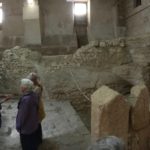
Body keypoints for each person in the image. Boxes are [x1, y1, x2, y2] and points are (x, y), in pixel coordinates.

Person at [16, 78, 39, 150]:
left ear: (25, 88)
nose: (20, 86)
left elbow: (22, 116)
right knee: (33, 143)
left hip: (26, 128)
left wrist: (18, 126)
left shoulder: (26, 100)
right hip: (33, 125)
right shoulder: (33, 94)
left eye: (21, 85)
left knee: (27, 145)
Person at [27, 72, 46, 144]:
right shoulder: (36, 86)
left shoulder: (37, 88)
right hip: (37, 105)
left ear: (33, 80)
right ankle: (38, 138)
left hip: (37, 107)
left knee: (37, 124)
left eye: (30, 80)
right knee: (37, 124)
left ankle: (38, 139)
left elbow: (32, 98)